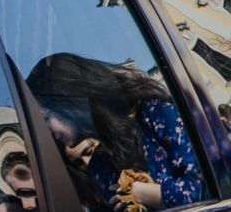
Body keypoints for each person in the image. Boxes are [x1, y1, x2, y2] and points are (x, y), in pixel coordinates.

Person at [27, 53, 204, 210]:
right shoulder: (99, 164)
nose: (45, 129)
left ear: (66, 102)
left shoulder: (155, 113)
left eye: (45, 118)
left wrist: (140, 192)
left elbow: (206, 187)